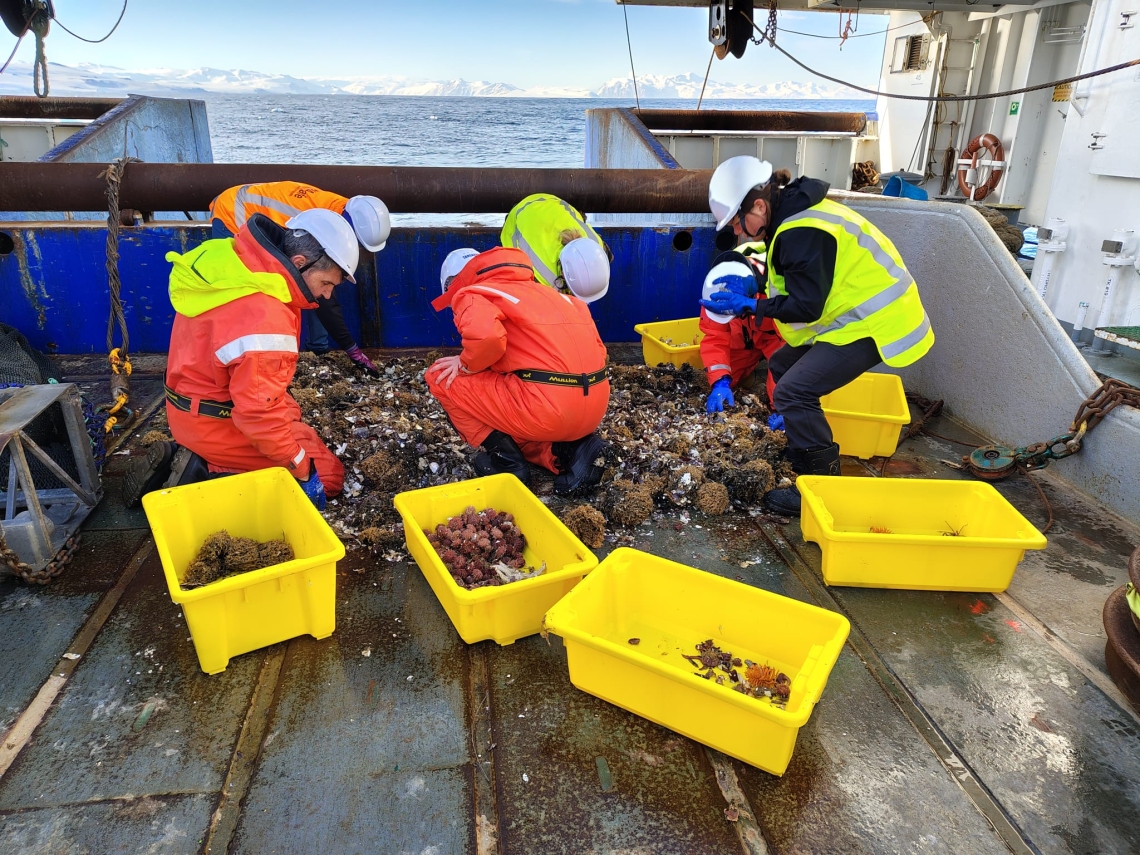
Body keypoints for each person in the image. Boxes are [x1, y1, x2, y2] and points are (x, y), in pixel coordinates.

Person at [702, 156, 934, 516]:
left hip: (877, 322)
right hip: (854, 318)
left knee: (795, 390)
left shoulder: (799, 229)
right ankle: (802, 448)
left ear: (759, 206)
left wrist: (753, 305)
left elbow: (806, 306)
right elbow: (800, 278)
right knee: (780, 364)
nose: (738, 233)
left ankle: (822, 486)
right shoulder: (791, 220)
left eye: (737, 223)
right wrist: (757, 283)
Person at [122, 209, 359, 510]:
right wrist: (302, 469)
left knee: (295, 425)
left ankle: (195, 454)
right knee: (329, 476)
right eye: (327, 283)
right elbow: (258, 418)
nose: (327, 295)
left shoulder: (233, 258)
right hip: (216, 424)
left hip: (191, 403)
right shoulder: (266, 317)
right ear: (300, 263)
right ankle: (206, 474)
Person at [426, 246, 610, 495]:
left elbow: (487, 338)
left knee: (439, 376)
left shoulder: (471, 293)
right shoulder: (554, 295)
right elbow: (600, 353)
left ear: (451, 284)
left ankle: (506, 463)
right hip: (595, 406)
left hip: (546, 409)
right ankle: (569, 452)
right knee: (516, 409)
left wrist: (465, 364)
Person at [209, 181, 390, 377]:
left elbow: (319, 289)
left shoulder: (345, 212)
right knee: (249, 288)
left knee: (313, 285)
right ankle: (244, 358)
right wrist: (351, 349)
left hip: (266, 213)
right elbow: (323, 298)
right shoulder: (319, 226)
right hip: (234, 211)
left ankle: (317, 349)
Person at [699, 245, 785, 414]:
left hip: (777, 335)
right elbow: (714, 337)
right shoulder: (715, 290)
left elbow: (794, 344)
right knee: (720, 373)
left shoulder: (777, 285)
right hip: (744, 334)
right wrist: (720, 381)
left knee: (783, 388)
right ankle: (747, 376)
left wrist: (787, 410)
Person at [501, 193, 611, 303]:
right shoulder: (545, 279)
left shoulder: (597, 243)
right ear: (563, 274)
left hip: (548, 201)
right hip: (517, 218)